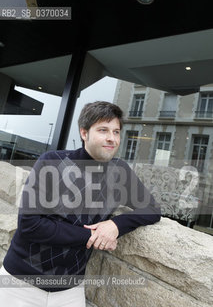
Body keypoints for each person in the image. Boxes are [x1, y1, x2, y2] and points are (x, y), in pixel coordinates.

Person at [0, 101, 161, 306]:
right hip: (20, 284)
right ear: (84, 133)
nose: (112, 138)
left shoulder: (120, 173)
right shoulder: (52, 162)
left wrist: (115, 225)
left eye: (116, 132)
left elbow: (152, 209)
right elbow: (31, 225)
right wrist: (94, 236)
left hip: (69, 290)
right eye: (103, 130)